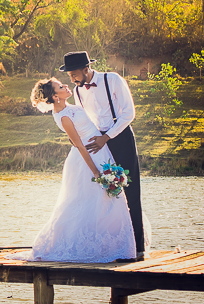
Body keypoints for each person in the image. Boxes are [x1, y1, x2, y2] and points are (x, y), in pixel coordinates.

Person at [8, 77, 135, 263]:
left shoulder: (70, 107)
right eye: (60, 86)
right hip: (87, 160)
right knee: (88, 201)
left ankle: (111, 245)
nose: (66, 86)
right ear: (55, 96)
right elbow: (79, 146)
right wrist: (96, 173)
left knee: (106, 201)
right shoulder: (63, 116)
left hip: (100, 152)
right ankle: (88, 245)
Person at [60, 51, 145, 261]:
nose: (72, 79)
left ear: (85, 69)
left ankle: (139, 249)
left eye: (73, 74)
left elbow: (129, 114)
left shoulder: (113, 80)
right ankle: (116, 246)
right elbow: (85, 119)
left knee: (131, 191)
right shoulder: (78, 91)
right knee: (107, 192)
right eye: (69, 75)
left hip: (121, 137)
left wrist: (107, 137)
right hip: (99, 142)